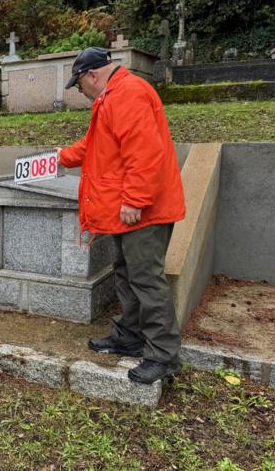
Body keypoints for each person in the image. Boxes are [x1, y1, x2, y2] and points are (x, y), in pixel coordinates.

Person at [58, 47, 185, 384]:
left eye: (79, 84)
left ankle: (163, 355)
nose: (80, 91)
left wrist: (135, 200)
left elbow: (145, 152)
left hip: (142, 212)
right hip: (129, 211)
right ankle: (129, 335)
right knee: (127, 273)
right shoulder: (111, 98)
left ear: (92, 75)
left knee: (146, 278)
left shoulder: (128, 94)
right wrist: (60, 158)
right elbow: (93, 145)